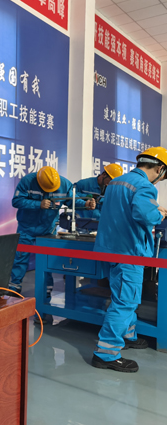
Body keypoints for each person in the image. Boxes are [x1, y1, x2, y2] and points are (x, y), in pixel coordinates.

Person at [92, 148, 167, 373]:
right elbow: (145, 215)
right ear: (159, 169)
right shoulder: (145, 186)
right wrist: (160, 213)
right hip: (129, 252)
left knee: (123, 296)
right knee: (125, 302)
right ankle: (106, 354)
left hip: (111, 249)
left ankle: (128, 335)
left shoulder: (117, 182)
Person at [9, 166, 95, 296]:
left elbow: (72, 201)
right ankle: (14, 288)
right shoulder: (28, 181)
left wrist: (85, 204)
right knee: (20, 258)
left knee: (46, 261)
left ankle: (46, 290)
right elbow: (16, 201)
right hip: (26, 227)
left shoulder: (64, 184)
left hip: (48, 229)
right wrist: (38, 204)